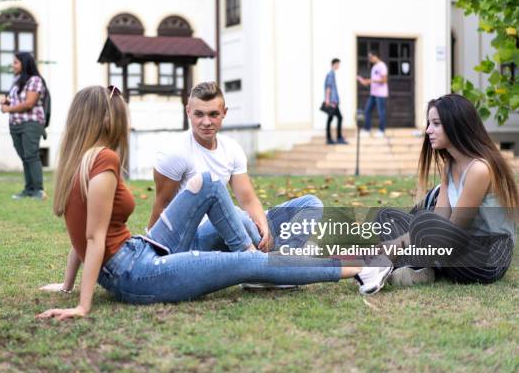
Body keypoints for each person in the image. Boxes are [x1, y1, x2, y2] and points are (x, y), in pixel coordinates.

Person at [36, 85, 393, 320]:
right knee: (246, 262)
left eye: (214, 114)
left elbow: (82, 235)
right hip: (135, 273)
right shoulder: (104, 162)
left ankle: (253, 255)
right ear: (107, 119)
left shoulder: (78, 162)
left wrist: (68, 286)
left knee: (207, 183)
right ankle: (362, 265)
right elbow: (93, 239)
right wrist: (82, 305)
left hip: (142, 251)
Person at [149, 82, 323, 255]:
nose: (206, 122)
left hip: (237, 226)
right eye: (199, 114)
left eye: (213, 114)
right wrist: (151, 253)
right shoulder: (174, 152)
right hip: (197, 236)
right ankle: (276, 261)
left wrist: (263, 226)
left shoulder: (231, 148)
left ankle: (277, 256)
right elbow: (162, 206)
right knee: (239, 216)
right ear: (188, 112)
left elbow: (248, 200)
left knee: (311, 204)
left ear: (224, 113)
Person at [376, 94, 517, 285]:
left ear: (456, 125)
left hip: (486, 257)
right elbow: (441, 217)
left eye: (436, 123)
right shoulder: (450, 164)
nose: (428, 130)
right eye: (429, 123)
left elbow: (453, 229)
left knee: (425, 222)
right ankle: (424, 268)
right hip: (455, 246)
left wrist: (399, 243)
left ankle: (419, 265)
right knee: (386, 216)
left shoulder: (479, 169)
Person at [0, 52, 47, 200]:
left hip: (31, 123)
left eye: (15, 62)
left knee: (31, 155)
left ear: (24, 63)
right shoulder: (17, 81)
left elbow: (29, 103)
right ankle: (29, 189)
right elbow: (14, 101)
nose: (13, 65)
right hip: (15, 124)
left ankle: (39, 190)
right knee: (25, 157)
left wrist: (9, 109)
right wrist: (5, 103)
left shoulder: (35, 80)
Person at [357, 52, 388, 138]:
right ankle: (367, 129)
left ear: (375, 56)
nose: (369, 59)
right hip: (373, 93)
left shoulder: (382, 66)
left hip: (380, 94)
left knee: (381, 112)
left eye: (370, 57)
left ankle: (381, 131)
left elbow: (384, 80)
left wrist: (371, 81)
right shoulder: (374, 67)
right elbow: (374, 80)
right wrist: (365, 82)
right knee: (367, 111)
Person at [324, 58, 347, 145]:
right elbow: (328, 88)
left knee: (332, 118)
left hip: (333, 101)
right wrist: (327, 100)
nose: (339, 66)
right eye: (338, 64)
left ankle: (332, 138)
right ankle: (337, 138)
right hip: (332, 102)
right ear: (334, 64)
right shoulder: (330, 74)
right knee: (338, 118)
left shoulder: (332, 74)